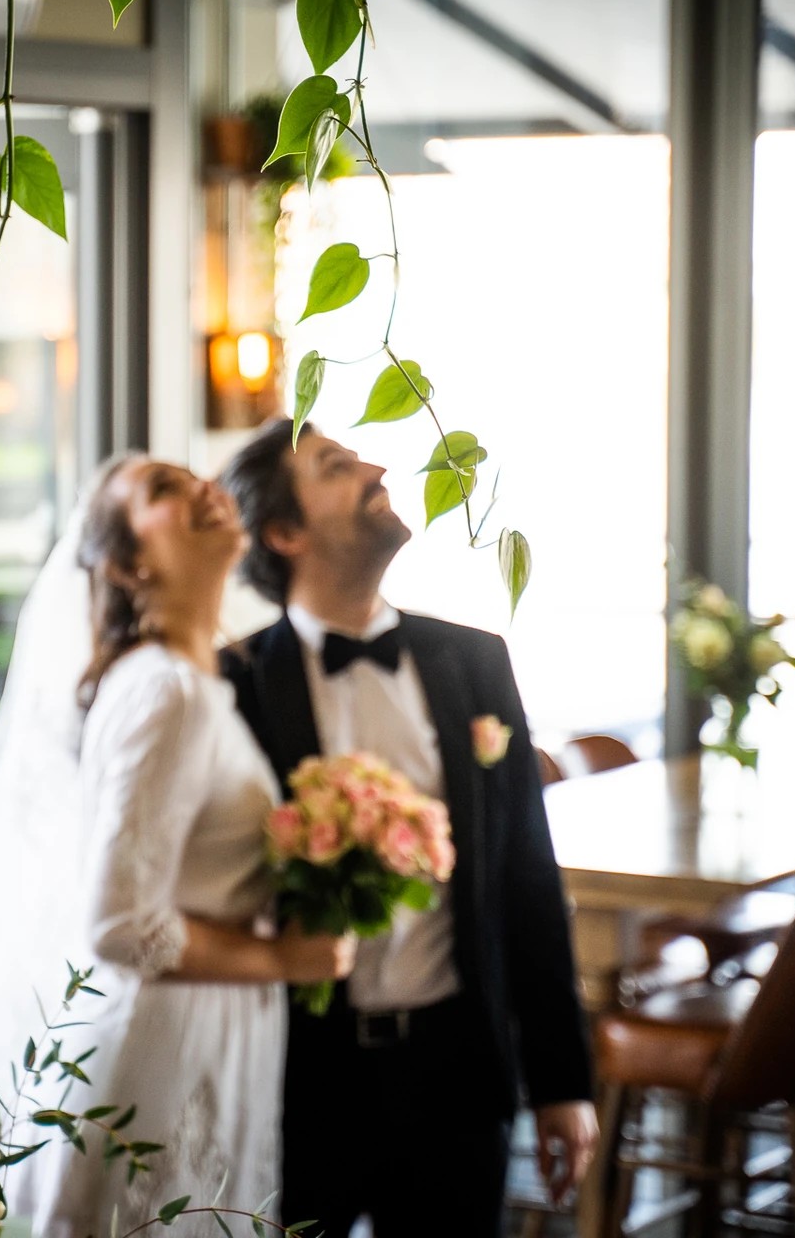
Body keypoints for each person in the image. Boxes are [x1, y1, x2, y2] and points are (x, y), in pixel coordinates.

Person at [220, 419, 598, 1236]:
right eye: (336, 466)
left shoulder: (476, 661)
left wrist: (563, 1081)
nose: (378, 467)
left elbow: (528, 877)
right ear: (285, 532)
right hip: (298, 1082)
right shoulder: (233, 683)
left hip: (458, 1070)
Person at [0, 455, 352, 1237]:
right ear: (129, 563)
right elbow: (119, 924)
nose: (204, 487)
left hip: (208, 1027)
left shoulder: (191, 682)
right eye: (164, 491)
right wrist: (285, 959)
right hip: (162, 1045)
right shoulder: (164, 691)